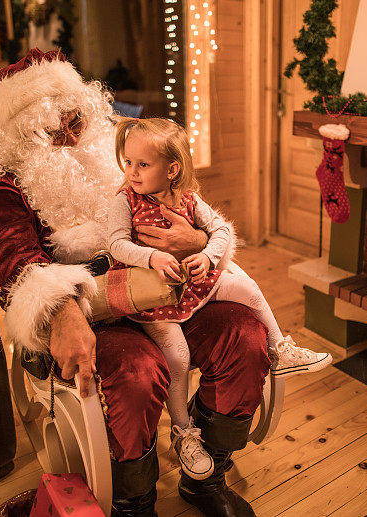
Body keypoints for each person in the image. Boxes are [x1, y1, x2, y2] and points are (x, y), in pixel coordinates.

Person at [0, 48, 270, 517]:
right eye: (54, 129)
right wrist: (60, 309)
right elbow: (12, 256)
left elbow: (181, 200)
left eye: (76, 121)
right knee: (135, 375)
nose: (72, 137)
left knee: (246, 337)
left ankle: (207, 472)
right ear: (22, 134)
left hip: (167, 288)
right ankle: (135, 502)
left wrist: (194, 241)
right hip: (97, 307)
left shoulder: (116, 146)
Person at [107, 117, 332, 480]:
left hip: (192, 284)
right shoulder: (125, 200)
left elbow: (221, 230)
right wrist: (151, 256)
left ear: (172, 169)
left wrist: (208, 254)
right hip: (153, 295)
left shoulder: (189, 199)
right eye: (128, 162)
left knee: (247, 289)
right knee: (177, 357)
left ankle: (280, 349)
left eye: (143, 164)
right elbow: (116, 242)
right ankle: (183, 431)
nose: (132, 172)